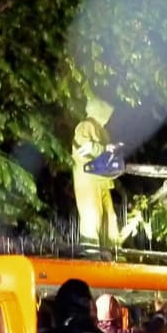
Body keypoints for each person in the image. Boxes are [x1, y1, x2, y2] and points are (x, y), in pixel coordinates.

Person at [71, 96, 121, 248]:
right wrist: (105, 149)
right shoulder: (85, 126)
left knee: (109, 217)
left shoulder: (102, 131)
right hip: (87, 180)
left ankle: (112, 251)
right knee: (92, 215)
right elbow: (84, 148)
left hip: (102, 181)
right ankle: (90, 252)